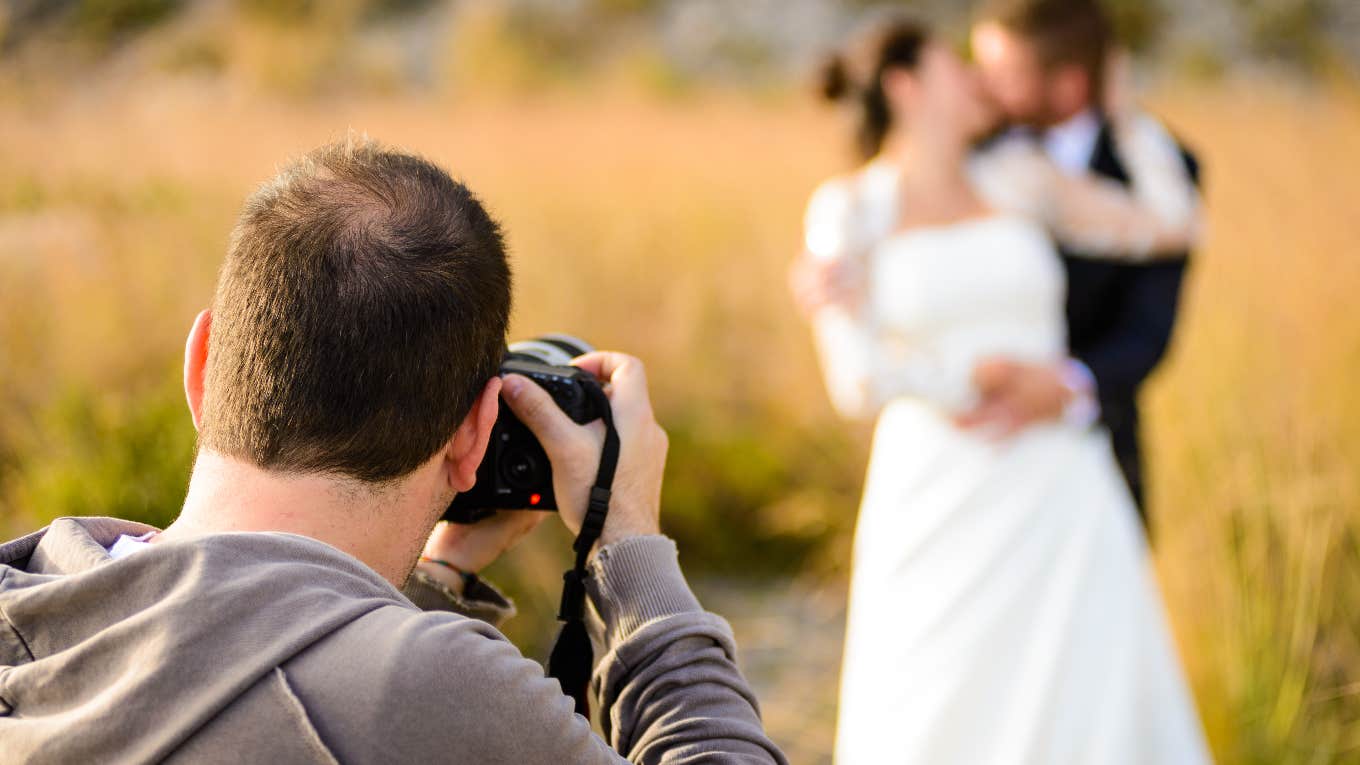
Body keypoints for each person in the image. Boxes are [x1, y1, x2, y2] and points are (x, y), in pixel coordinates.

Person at [0, 138, 786, 764]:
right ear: (475, 434)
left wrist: (433, 581)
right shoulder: (427, 690)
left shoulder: (29, 600)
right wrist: (632, 543)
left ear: (202, 365)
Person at [789, 16, 1211, 764]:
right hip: (934, 491)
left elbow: (1173, 226)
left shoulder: (1021, 180)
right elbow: (855, 380)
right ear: (906, 86)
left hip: (1062, 487)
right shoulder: (848, 209)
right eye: (956, 65)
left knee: (1089, 694)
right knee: (936, 696)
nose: (978, 79)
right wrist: (964, 382)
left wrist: (1122, 112)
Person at [969, 0, 1202, 520]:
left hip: (1098, 447)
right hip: (977, 445)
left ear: (1069, 84)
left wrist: (1066, 387)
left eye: (1005, 73)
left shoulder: (1159, 171)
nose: (982, 85)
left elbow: (1148, 330)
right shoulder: (970, 154)